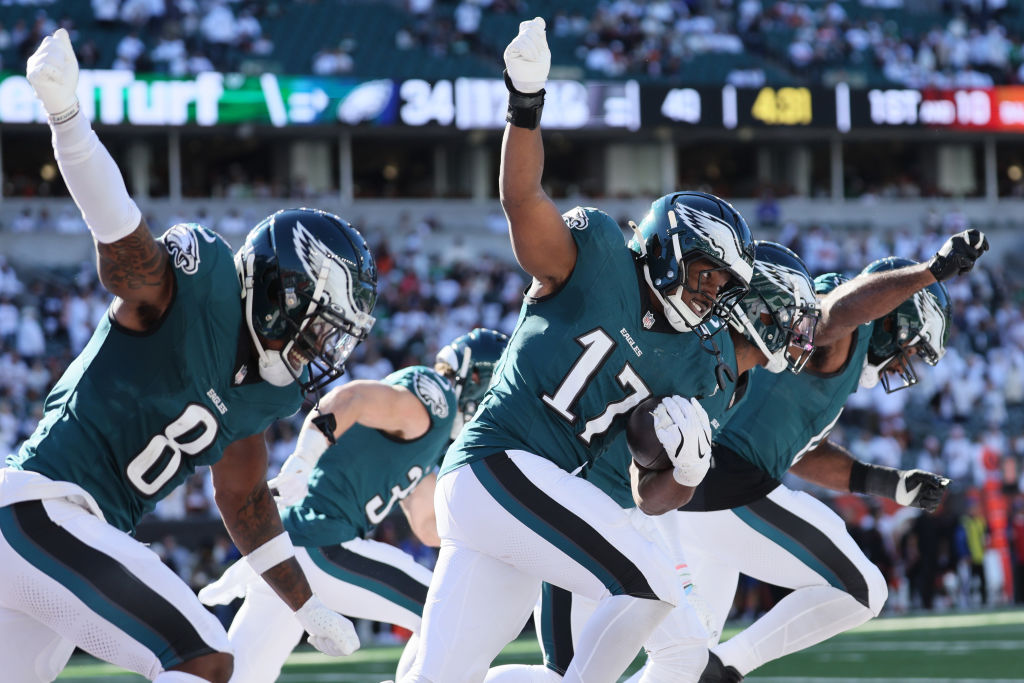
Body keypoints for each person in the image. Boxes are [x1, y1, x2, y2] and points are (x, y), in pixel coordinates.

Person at [0, 29, 376, 683]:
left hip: (55, 540)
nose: (320, 350)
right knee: (202, 656)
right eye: (319, 329)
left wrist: (306, 604)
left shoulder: (265, 394)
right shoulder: (197, 292)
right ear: (282, 294)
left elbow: (246, 501)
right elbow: (124, 249)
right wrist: (69, 123)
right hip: (41, 508)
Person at [400, 18, 759, 683]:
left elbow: (648, 498)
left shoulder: (693, 357)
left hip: (517, 499)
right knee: (651, 583)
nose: (710, 293)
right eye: (705, 272)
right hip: (496, 463)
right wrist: (526, 102)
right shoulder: (595, 257)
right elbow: (521, 198)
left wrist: (681, 471)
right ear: (665, 248)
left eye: (721, 284)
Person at [486, 241, 822, 683]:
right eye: (792, 318)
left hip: (625, 520)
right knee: (566, 677)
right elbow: (642, 453)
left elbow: (654, 491)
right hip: (577, 506)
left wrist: (685, 479)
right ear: (758, 310)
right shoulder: (696, 353)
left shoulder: (733, 376)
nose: (802, 336)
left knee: (686, 654)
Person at [656, 239, 988, 683]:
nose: (902, 365)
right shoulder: (841, 330)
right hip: (727, 484)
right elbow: (836, 314)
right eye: (910, 349)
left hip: (697, 490)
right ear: (896, 320)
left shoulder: (836, 363)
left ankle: (712, 667)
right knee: (863, 589)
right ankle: (729, 667)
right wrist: (929, 272)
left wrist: (890, 484)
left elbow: (802, 453)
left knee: (682, 666)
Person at [198, 329, 509, 683]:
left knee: (242, 677)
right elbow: (354, 397)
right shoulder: (435, 397)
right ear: (477, 380)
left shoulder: (431, 432)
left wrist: (490, 539)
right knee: (451, 614)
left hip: (286, 549)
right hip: (324, 543)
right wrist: (304, 457)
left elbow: (427, 524)